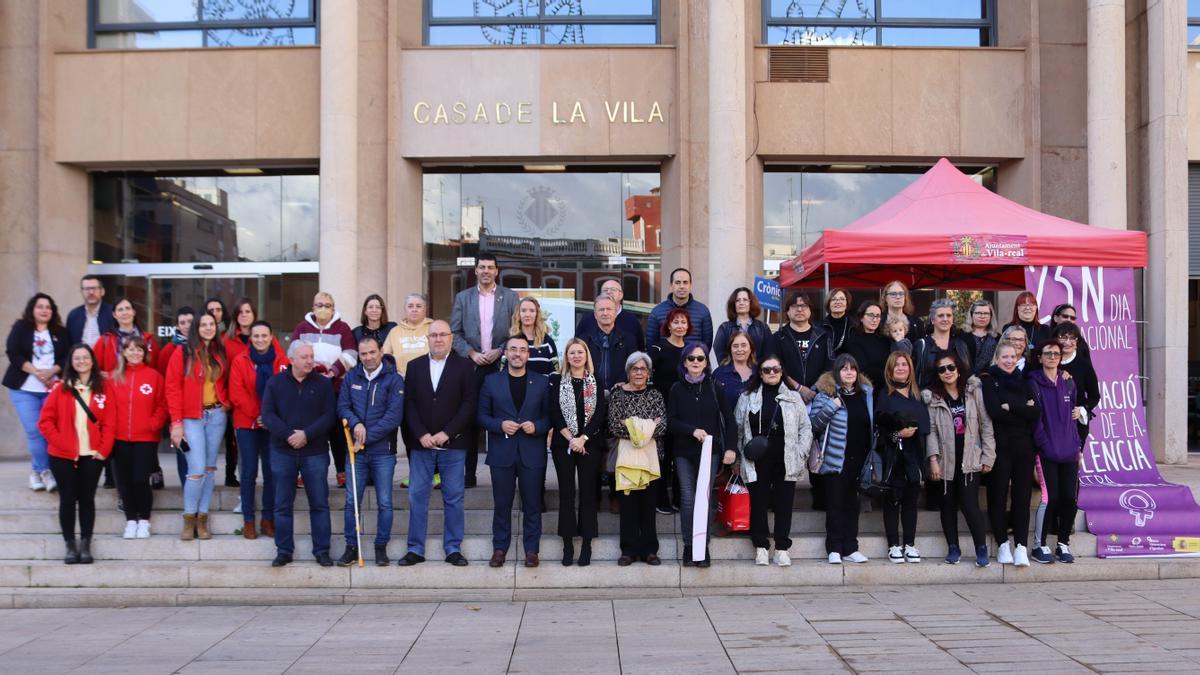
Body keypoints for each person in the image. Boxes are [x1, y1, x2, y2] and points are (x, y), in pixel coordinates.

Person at [402, 320, 475, 567]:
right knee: (417, 496)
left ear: (451, 338)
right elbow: (409, 404)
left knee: (453, 497)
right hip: (421, 445)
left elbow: (468, 405)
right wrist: (421, 434)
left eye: (443, 334)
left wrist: (448, 432)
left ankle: (453, 548)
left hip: (452, 445)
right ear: (427, 338)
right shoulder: (414, 367)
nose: (439, 339)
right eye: (434, 335)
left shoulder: (465, 367)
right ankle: (415, 548)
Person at [37, 343, 115, 564]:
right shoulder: (60, 388)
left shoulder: (104, 388)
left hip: (92, 455)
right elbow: (45, 422)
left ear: (92, 360)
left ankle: (85, 545)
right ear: (71, 362)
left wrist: (103, 450)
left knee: (87, 499)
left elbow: (110, 422)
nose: (81, 361)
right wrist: (61, 443)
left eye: (86, 357)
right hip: (62, 455)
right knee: (68, 499)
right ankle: (70, 545)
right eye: (77, 358)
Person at [478, 334, 551, 568]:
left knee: (532, 505)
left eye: (522, 349)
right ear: (506, 353)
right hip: (502, 453)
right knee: (502, 505)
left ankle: (532, 550)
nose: (517, 353)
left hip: (532, 452)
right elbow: (481, 416)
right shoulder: (491, 381)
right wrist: (499, 425)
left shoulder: (541, 382)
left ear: (528, 355)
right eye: (513, 349)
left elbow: (550, 417)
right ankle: (499, 549)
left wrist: (537, 426)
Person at [261, 342, 336, 567]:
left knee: (320, 504)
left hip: (315, 451)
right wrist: (289, 435)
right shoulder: (275, 383)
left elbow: (329, 415)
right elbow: (268, 414)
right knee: (282, 504)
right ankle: (284, 550)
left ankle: (322, 551)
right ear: (291, 359)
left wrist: (306, 434)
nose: (309, 360)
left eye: (311, 356)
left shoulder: (323, 384)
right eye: (304, 356)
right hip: (283, 451)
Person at [450, 253, 521, 488]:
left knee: (503, 418)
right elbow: (455, 333)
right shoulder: (463, 298)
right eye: (482, 267)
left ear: (497, 271)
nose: (486, 271)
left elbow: (515, 331)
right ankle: (469, 475)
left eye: (491, 267)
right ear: (476, 271)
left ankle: (506, 474)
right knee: (469, 421)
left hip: (500, 366)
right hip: (472, 366)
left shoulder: (510, 297)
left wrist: (501, 350)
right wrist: (472, 353)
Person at [735, 355, 812, 566]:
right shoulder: (747, 397)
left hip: (786, 459)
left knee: (784, 504)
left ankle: (781, 548)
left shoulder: (794, 398)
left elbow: (805, 428)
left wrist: (801, 453)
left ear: (782, 372)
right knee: (758, 503)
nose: (772, 373)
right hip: (756, 460)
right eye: (767, 370)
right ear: (760, 373)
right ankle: (760, 546)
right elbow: (738, 428)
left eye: (776, 370)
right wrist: (738, 457)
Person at [337, 335, 405, 567]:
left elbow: (393, 417)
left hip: (383, 452)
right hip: (355, 451)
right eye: (363, 354)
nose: (368, 357)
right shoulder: (351, 377)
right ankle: (351, 547)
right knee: (350, 501)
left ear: (381, 351)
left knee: (384, 501)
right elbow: (343, 406)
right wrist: (356, 424)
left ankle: (380, 547)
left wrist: (367, 437)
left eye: (371, 352)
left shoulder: (394, 380)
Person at [667, 341, 737, 567]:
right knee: (688, 499)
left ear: (707, 363)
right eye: (691, 358)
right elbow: (670, 421)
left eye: (700, 358)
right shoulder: (676, 389)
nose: (695, 362)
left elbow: (730, 420)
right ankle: (689, 546)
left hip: (710, 452)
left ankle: (702, 546)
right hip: (683, 452)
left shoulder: (715, 388)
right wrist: (692, 430)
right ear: (684, 362)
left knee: (704, 499)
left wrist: (731, 448)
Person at [924, 352, 995, 567]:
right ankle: (953, 548)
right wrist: (933, 459)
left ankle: (981, 548)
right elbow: (931, 432)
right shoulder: (933, 398)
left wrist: (988, 455)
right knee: (947, 505)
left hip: (970, 458)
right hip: (946, 459)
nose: (947, 372)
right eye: (942, 369)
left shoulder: (973, 392)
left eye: (951, 368)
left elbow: (986, 425)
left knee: (970, 504)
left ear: (958, 369)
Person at [165, 313, 229, 541]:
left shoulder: (219, 352)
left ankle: (203, 517)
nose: (208, 328)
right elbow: (172, 388)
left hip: (216, 415)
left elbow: (226, 381)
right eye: (203, 324)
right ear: (196, 328)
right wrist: (176, 423)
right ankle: (188, 517)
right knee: (196, 468)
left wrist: (226, 404)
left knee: (210, 468)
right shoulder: (182, 352)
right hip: (191, 417)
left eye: (212, 324)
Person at [809, 354, 874, 564]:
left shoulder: (866, 394)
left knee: (853, 505)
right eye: (844, 369)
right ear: (837, 373)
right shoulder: (825, 395)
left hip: (860, 459)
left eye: (853, 369)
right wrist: (833, 405)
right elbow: (814, 425)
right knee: (835, 505)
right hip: (835, 459)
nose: (849, 373)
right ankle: (834, 548)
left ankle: (850, 547)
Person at [549, 338, 607, 566]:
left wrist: (582, 438)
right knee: (566, 494)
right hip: (564, 443)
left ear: (586, 356)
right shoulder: (556, 381)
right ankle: (567, 545)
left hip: (589, 444)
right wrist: (571, 439)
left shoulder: (595, 382)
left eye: (579, 352)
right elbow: (554, 412)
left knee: (588, 493)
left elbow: (599, 414)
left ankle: (586, 545)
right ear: (567, 356)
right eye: (572, 353)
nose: (576, 356)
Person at [228, 320, 288, 540]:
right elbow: (236, 393)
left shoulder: (281, 360)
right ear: (250, 338)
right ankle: (249, 520)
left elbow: (285, 390)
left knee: (272, 472)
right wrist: (259, 414)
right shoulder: (240, 360)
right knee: (249, 472)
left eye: (264, 335)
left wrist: (269, 417)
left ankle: (268, 518)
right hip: (247, 424)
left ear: (271, 337)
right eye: (256, 336)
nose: (260, 340)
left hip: (272, 426)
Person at [980, 342, 1039, 567]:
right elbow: (994, 411)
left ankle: (1021, 546)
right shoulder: (989, 380)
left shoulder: (1025, 381)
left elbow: (1036, 412)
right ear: (997, 358)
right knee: (998, 495)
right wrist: (1022, 408)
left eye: (1013, 356)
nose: (1009, 360)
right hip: (1000, 446)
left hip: (1024, 446)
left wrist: (1011, 406)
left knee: (1022, 497)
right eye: (1005, 356)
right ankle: (1003, 543)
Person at [290, 291, 357, 487]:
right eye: (319, 305)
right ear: (313, 307)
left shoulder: (342, 328)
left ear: (333, 308)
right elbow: (293, 352)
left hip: (335, 388)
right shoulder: (301, 328)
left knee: (337, 432)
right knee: (308, 430)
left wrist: (334, 370)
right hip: (307, 389)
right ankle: (303, 473)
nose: (323, 309)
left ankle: (342, 472)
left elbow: (351, 353)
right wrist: (313, 368)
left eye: (327, 305)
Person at [4, 293, 69, 492]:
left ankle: (38, 472)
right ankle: (44, 471)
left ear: (53, 311)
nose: (44, 310)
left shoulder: (61, 331)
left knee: (50, 432)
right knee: (34, 431)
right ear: (32, 309)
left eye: (48, 307)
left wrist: (52, 371)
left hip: (53, 389)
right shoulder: (21, 328)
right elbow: (12, 352)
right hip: (25, 389)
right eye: (40, 306)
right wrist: (37, 372)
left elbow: (67, 356)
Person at [608, 352, 666, 566]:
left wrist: (631, 424)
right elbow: (614, 425)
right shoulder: (618, 394)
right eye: (635, 369)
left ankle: (650, 550)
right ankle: (628, 550)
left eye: (643, 369)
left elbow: (662, 426)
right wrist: (647, 425)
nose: (639, 373)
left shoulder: (656, 395)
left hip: (651, 460)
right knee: (629, 505)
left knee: (649, 506)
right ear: (628, 372)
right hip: (626, 459)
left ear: (648, 373)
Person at [1028, 339, 1082, 565]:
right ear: (1040, 357)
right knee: (1051, 498)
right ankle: (1038, 545)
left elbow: (1073, 418)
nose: (1052, 357)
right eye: (1048, 353)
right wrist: (1045, 446)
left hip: (1069, 451)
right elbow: (1035, 420)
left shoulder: (1068, 382)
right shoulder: (1033, 382)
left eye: (1056, 354)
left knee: (1070, 498)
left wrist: (1077, 447)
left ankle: (1062, 543)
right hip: (1047, 451)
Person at [110, 335, 168, 540]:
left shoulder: (154, 376)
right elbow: (108, 408)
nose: (134, 353)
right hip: (119, 437)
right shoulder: (114, 378)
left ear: (145, 353)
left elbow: (163, 404)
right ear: (124, 352)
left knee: (139, 480)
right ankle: (130, 521)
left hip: (145, 438)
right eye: (130, 349)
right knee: (123, 482)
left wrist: (153, 424)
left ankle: (144, 520)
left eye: (139, 349)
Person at [876, 351, 930, 563]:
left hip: (914, 456)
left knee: (911, 502)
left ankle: (910, 544)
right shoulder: (885, 396)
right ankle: (893, 545)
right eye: (896, 365)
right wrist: (898, 434)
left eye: (904, 364)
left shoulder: (918, 396)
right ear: (890, 370)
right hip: (893, 457)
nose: (901, 368)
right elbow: (879, 428)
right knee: (892, 501)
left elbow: (926, 427)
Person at [648, 307, 689, 513]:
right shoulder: (658, 348)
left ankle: (680, 499)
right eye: (676, 322)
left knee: (680, 455)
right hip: (661, 410)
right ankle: (661, 500)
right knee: (662, 457)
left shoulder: (691, 351)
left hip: (684, 411)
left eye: (684, 322)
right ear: (669, 325)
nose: (680, 326)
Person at [158, 306, 194, 487]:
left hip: (199, 409)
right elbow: (165, 382)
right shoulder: (169, 350)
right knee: (183, 450)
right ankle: (186, 488)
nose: (186, 325)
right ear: (177, 326)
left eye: (190, 321)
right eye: (182, 322)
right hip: (178, 408)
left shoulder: (204, 347)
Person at [774, 291, 832, 404]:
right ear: (788, 311)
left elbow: (830, 366)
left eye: (804, 306)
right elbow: (776, 368)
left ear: (810, 310)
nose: (799, 310)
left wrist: (814, 389)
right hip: (787, 397)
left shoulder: (823, 336)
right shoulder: (779, 337)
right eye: (795, 306)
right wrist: (799, 388)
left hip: (818, 397)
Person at [1053, 321, 1099, 449]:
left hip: (1076, 425)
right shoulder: (1048, 360)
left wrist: (1083, 409)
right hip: (1051, 423)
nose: (1068, 342)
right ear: (1055, 339)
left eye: (1072, 338)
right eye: (1063, 337)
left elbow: (1094, 396)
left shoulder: (1084, 364)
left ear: (1077, 342)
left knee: (1072, 465)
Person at [582, 294, 638, 394]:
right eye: (601, 309)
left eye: (609, 309)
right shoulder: (584, 340)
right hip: (590, 394)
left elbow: (633, 365)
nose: (605, 313)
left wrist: (624, 381)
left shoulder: (629, 339)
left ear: (616, 313)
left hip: (621, 394)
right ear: (595, 314)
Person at [645, 268, 713, 349]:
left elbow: (707, 345)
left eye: (685, 282)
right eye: (677, 282)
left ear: (690, 285)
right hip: (666, 360)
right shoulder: (657, 312)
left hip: (693, 360)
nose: (681, 286)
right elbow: (651, 345)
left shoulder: (703, 311)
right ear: (671, 286)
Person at [912, 298, 971, 390]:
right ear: (932, 320)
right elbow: (915, 377)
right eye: (940, 315)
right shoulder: (921, 345)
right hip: (929, 399)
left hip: (958, 399)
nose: (945, 319)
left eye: (948, 315)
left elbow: (967, 373)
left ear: (952, 320)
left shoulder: (961, 345)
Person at [576, 279, 645, 352]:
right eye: (605, 290)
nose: (609, 292)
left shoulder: (632, 321)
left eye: (613, 289)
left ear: (621, 295)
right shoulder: (587, 320)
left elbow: (639, 349)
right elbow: (578, 346)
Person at [93, 297, 157, 374]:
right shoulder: (105, 340)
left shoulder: (148, 340)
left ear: (133, 312)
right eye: (120, 310)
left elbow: (156, 368)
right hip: (114, 384)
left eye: (128, 308)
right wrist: (102, 376)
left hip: (142, 384)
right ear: (114, 315)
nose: (124, 313)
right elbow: (93, 368)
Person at [713, 287, 772, 364]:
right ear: (733, 304)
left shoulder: (763, 328)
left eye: (745, 300)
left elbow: (769, 353)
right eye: (737, 300)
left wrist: (758, 370)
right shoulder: (724, 328)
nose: (741, 303)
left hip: (757, 373)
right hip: (731, 374)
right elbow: (720, 352)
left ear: (751, 303)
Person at [382, 293, 434, 377]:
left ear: (425, 309)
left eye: (418, 306)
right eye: (410, 306)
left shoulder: (433, 329)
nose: (414, 309)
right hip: (401, 380)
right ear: (405, 309)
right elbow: (385, 357)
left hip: (429, 378)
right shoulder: (394, 332)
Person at [509, 296, 558, 376]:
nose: (527, 314)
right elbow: (503, 372)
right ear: (519, 314)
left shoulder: (547, 342)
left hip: (543, 388)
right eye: (523, 310)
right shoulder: (511, 342)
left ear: (537, 314)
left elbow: (555, 373)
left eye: (532, 311)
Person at [845, 301, 890, 387]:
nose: (874, 319)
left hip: (887, 387)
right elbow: (863, 369)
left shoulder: (885, 340)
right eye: (871, 315)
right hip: (866, 388)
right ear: (861, 317)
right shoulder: (854, 340)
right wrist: (889, 376)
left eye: (878, 316)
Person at [65, 275, 114, 347]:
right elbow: (69, 343)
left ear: (102, 291)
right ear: (81, 292)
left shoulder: (112, 313)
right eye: (87, 289)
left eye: (94, 288)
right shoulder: (74, 315)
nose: (91, 292)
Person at [713, 330, 756, 410]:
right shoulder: (719, 374)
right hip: (727, 421)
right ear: (730, 349)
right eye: (735, 346)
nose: (739, 349)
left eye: (744, 345)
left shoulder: (760, 373)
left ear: (751, 348)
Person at [962, 299, 1000, 377]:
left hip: (991, 380)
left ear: (991, 316)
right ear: (971, 315)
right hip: (966, 380)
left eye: (986, 313)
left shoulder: (997, 337)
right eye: (978, 313)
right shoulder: (962, 335)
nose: (982, 316)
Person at [821, 288, 856, 356]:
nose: (838, 302)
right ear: (828, 304)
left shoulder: (855, 326)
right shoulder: (819, 327)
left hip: (848, 365)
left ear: (847, 303)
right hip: (827, 365)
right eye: (834, 299)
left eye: (842, 299)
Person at [223, 297, 258, 363]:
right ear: (236, 316)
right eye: (240, 312)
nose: (244, 315)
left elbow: (280, 360)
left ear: (254, 315)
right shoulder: (226, 340)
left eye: (247, 311)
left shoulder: (264, 337)